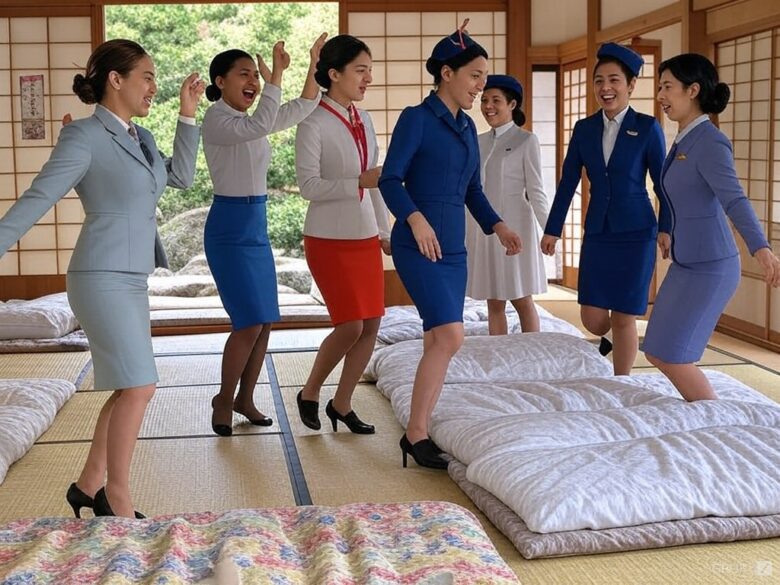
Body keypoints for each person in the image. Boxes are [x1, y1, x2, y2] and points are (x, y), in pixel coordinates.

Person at [0, 39, 203, 517]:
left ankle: (88, 485)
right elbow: (38, 197)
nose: (154, 87)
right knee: (140, 386)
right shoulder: (84, 136)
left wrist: (188, 115)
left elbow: (182, 177)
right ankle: (117, 495)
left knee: (130, 383)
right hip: (99, 276)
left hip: (132, 277)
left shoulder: (142, 137)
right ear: (116, 79)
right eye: (147, 77)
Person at [379, 21, 521, 469]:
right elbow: (390, 179)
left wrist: (498, 226)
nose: (481, 86)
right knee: (450, 335)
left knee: (437, 339)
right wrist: (415, 218)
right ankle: (416, 433)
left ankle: (419, 427)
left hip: (454, 249)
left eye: (484, 77)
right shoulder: (416, 119)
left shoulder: (466, 128)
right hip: (418, 244)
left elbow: (472, 190)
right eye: (475, 76)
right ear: (446, 73)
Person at [202, 34, 326, 437]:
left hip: (255, 225)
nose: (253, 81)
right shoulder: (217, 119)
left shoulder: (248, 122)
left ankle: (245, 398)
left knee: (265, 321)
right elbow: (262, 121)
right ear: (220, 81)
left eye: (256, 75)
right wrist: (275, 80)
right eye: (245, 74)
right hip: (228, 229)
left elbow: (304, 106)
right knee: (248, 322)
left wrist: (312, 64)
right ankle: (224, 399)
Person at [644, 53, 780, 400]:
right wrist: (668, 232)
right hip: (685, 262)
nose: (660, 95)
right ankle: (703, 409)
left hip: (711, 267)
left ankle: (713, 414)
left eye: (667, 87)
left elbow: (734, 200)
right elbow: (679, 195)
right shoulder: (683, 138)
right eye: (660, 87)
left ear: (692, 90)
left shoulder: (710, 141)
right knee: (656, 349)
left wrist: (762, 249)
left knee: (674, 355)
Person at [540, 42, 667, 375]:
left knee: (624, 315)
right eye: (599, 81)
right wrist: (552, 229)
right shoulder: (584, 129)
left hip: (637, 232)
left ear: (631, 85)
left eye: (614, 80)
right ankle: (615, 338)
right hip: (598, 230)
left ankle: (621, 380)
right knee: (593, 318)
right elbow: (568, 181)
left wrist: (667, 227)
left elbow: (663, 184)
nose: (605, 88)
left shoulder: (647, 127)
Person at [294, 35, 391, 434]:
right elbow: (308, 187)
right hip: (328, 239)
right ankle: (310, 391)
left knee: (371, 325)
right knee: (350, 325)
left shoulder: (364, 119)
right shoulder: (311, 121)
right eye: (360, 70)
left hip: (365, 235)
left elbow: (378, 181)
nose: (369, 78)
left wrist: (384, 230)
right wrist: (357, 182)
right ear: (334, 74)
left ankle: (343, 403)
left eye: (370, 70)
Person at [467, 74, 548, 334]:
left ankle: (532, 349)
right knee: (493, 298)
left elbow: (536, 190)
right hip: (485, 227)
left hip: (516, 226)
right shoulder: (477, 140)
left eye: (496, 100)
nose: (488, 106)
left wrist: (550, 230)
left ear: (512, 104)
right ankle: (499, 351)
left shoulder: (526, 140)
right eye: (484, 100)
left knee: (521, 296)